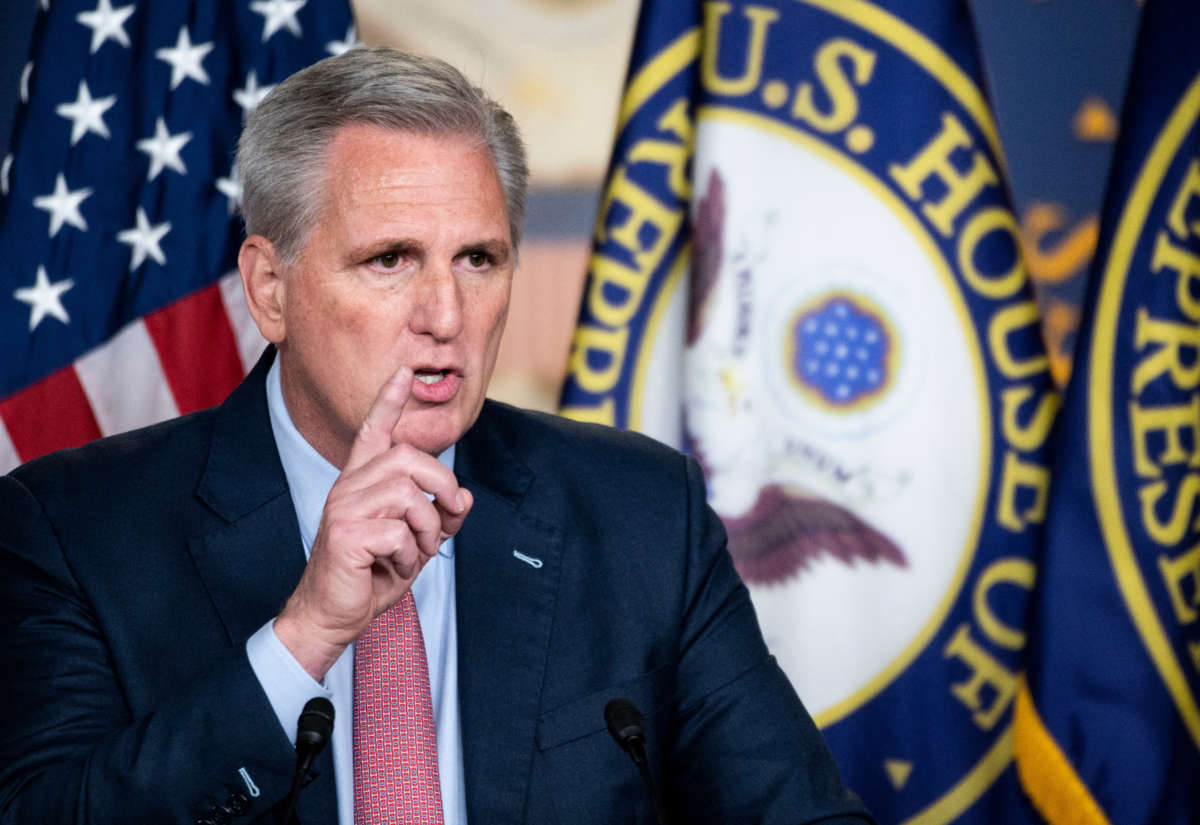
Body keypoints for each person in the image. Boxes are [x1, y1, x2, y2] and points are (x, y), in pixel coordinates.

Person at [0, 48, 873, 825]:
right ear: (270, 290)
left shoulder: (644, 516)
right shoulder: (71, 529)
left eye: (479, 259)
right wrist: (303, 635)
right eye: (391, 260)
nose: (446, 316)